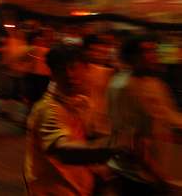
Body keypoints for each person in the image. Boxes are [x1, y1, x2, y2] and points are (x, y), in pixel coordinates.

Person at [25, 44, 116, 196]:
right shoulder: (48, 109)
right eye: (61, 70)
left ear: (86, 69)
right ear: (52, 74)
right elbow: (63, 151)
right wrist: (114, 146)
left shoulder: (80, 102)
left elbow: (86, 138)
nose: (69, 75)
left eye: (74, 68)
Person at [107, 34, 182, 195]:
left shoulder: (154, 83)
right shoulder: (123, 86)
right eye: (146, 52)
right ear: (131, 57)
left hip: (157, 169)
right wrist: (159, 178)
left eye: (154, 50)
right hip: (136, 174)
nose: (153, 56)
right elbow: (130, 141)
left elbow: (169, 116)